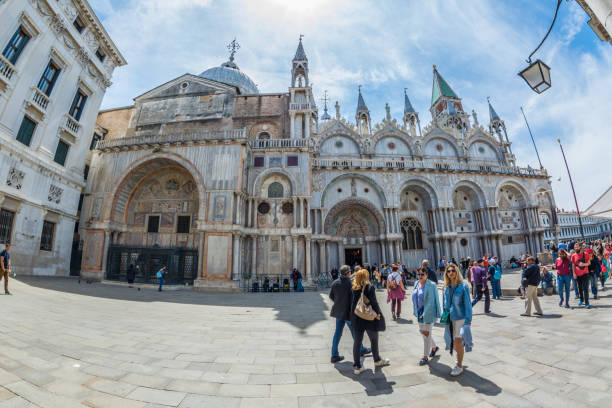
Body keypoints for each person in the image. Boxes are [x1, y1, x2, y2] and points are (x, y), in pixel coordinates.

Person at [350, 269, 390, 375]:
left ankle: (357, 367)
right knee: (374, 340)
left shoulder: (354, 288)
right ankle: (377, 360)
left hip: (358, 318)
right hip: (369, 318)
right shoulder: (370, 287)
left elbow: (353, 304)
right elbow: (374, 303)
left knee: (357, 342)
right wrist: (378, 314)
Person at [329, 265, 370, 363]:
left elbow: (331, 296)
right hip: (348, 313)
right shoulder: (351, 283)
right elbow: (355, 299)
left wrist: (339, 303)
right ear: (348, 273)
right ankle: (361, 349)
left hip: (338, 313)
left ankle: (334, 355)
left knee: (337, 333)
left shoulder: (335, 283)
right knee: (355, 332)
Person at [442, 264, 472, 376]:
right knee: (452, 343)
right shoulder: (445, 287)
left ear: (456, 272)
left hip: (460, 318)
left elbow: (468, 304)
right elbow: (444, 304)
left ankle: (459, 366)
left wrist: (468, 321)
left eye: (453, 271)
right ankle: (460, 355)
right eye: (448, 271)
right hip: (450, 319)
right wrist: (444, 318)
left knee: (458, 342)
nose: (451, 273)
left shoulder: (463, 286)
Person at [412, 267, 441, 366]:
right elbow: (415, 297)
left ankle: (425, 356)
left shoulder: (431, 285)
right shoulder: (416, 283)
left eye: (422, 274)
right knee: (423, 333)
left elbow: (432, 301)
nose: (420, 276)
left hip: (429, 312)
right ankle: (434, 347)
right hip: (419, 312)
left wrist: (426, 312)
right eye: (418, 274)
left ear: (427, 275)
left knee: (426, 335)